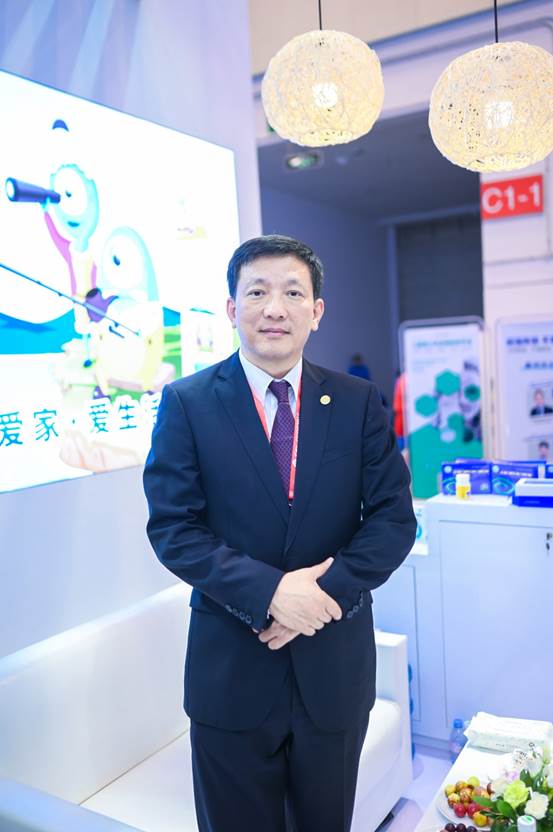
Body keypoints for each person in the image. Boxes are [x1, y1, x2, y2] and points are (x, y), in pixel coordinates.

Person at [143, 235, 416, 832]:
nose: (274, 308)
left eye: (293, 293)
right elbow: (174, 528)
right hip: (231, 674)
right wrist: (269, 593)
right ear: (230, 308)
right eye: (257, 292)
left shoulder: (358, 402)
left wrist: (317, 597)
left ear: (316, 311)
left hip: (333, 672)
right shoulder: (187, 403)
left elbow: (394, 519)